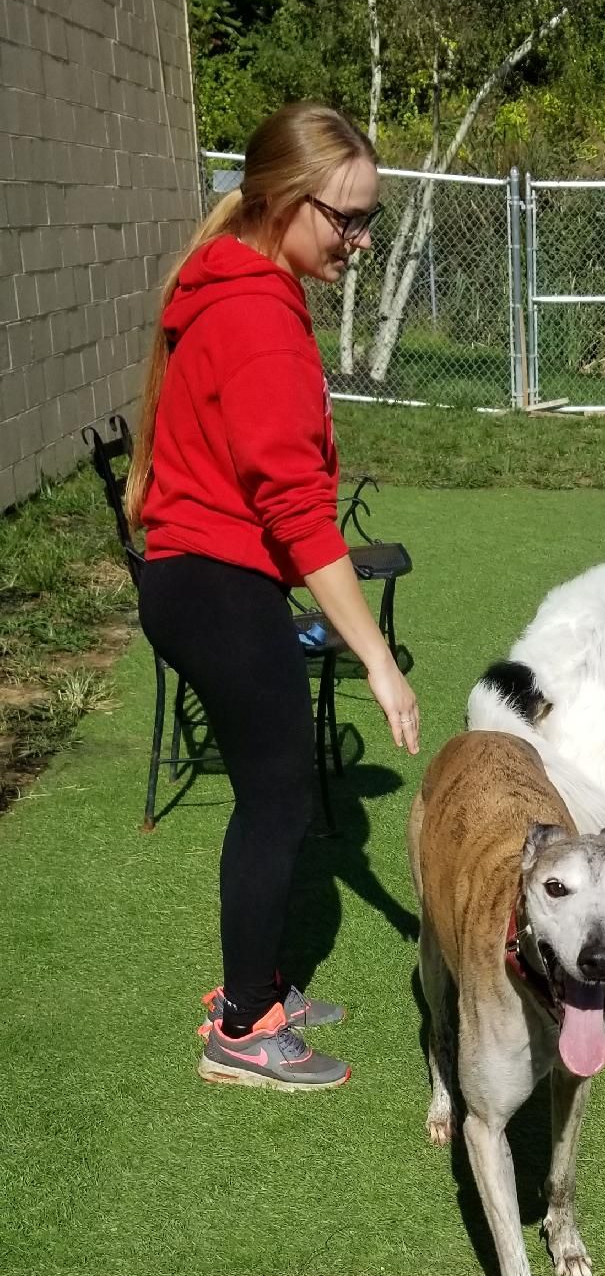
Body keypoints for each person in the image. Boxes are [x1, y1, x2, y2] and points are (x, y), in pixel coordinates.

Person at [126, 102, 419, 1093]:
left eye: (366, 218)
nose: (360, 239)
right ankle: (246, 1026)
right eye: (345, 217)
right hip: (216, 580)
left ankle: (258, 987)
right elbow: (297, 511)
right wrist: (378, 660)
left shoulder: (244, 285)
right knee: (280, 794)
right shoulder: (256, 314)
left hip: (197, 575)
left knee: (274, 789)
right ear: (286, 202)